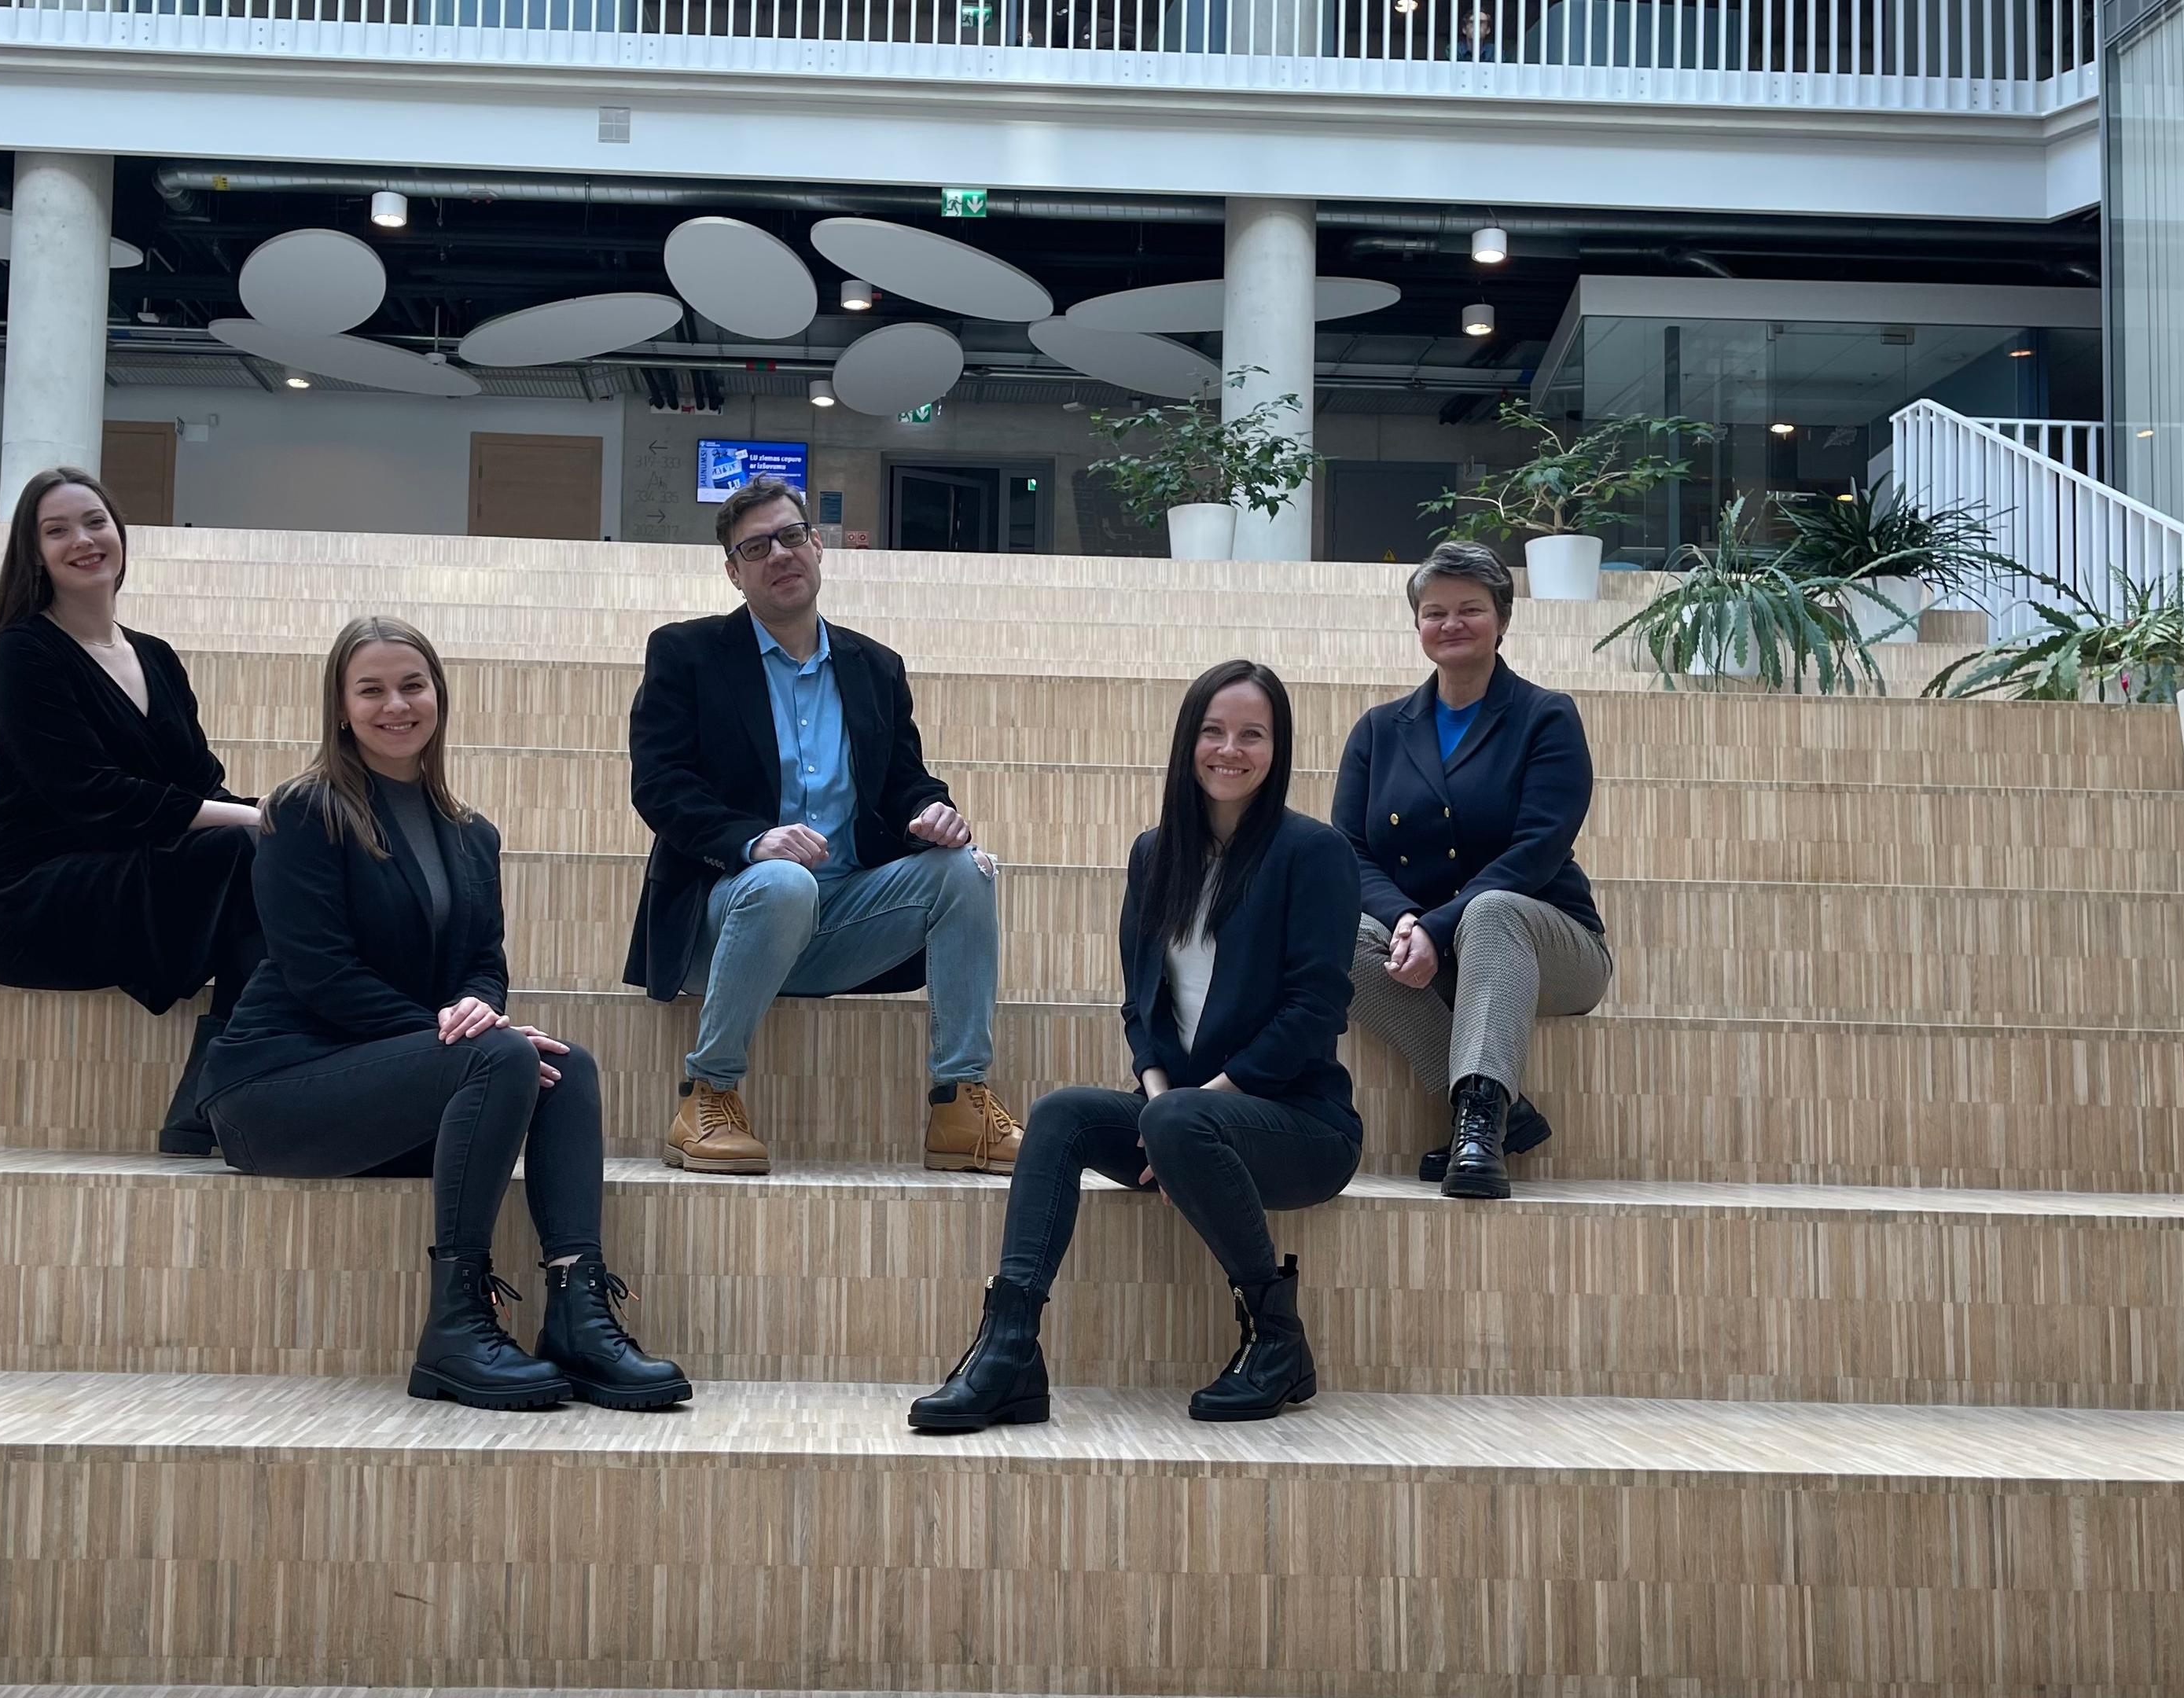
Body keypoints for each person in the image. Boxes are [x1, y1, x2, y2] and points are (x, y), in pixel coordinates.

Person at [200, 616, 689, 1414]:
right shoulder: (302, 811)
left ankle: (575, 1309)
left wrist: (479, 1008)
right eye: (372, 690)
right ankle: (457, 1327)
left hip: (389, 1088)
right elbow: (319, 975)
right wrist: (465, 1034)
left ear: (439, 697)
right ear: (340, 706)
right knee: (496, 1056)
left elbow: (482, 962)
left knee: (567, 1067)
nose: (396, 704)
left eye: (412, 685)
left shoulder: (472, 834)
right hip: (275, 1091)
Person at [912, 660, 1362, 1432]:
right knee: (1059, 1117)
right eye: (1213, 731)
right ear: (1188, 741)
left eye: (1253, 734)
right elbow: (1140, 1005)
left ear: (1278, 749)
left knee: (1180, 1122)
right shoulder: (1156, 853)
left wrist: (1187, 1112)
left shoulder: (1312, 854)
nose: (1231, 749)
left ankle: (1278, 1338)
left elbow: (1314, 1011)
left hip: (1300, 1128)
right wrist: (1160, 1102)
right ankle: (1011, 1349)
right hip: (1181, 1118)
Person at [623, 476, 1024, 1178]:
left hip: (842, 917)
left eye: (790, 536)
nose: (778, 554)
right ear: (733, 570)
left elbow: (905, 781)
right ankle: (707, 1093)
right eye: (755, 546)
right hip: (730, 911)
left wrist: (935, 812)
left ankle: (960, 1103)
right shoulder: (687, 654)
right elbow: (661, 785)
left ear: (817, 547)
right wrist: (754, 841)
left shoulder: (875, 666)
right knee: (781, 882)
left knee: (968, 870)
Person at [0, 466, 263, 1158]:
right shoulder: (22, 653)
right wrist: (250, 822)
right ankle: (217, 1089)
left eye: (95, 522)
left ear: (120, 533)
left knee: (287, 852)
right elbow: (89, 797)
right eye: (57, 530)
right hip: (28, 898)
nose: (83, 540)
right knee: (252, 853)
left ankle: (207, 1099)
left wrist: (278, 812)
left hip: (127, 876)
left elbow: (199, 783)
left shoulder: (155, 656)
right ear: (33, 554)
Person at [1334, 539, 1610, 1202]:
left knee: (1490, 910)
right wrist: (1404, 921)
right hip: (1427, 946)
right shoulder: (1378, 730)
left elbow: (1538, 849)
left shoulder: (1546, 716)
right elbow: (1349, 850)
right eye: (1435, 612)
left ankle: (1480, 1125)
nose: (1451, 624)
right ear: (1419, 625)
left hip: (1545, 944)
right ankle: (1503, 1112)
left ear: (1504, 620)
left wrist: (1436, 924)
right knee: (1326, 932)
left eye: (1470, 609)